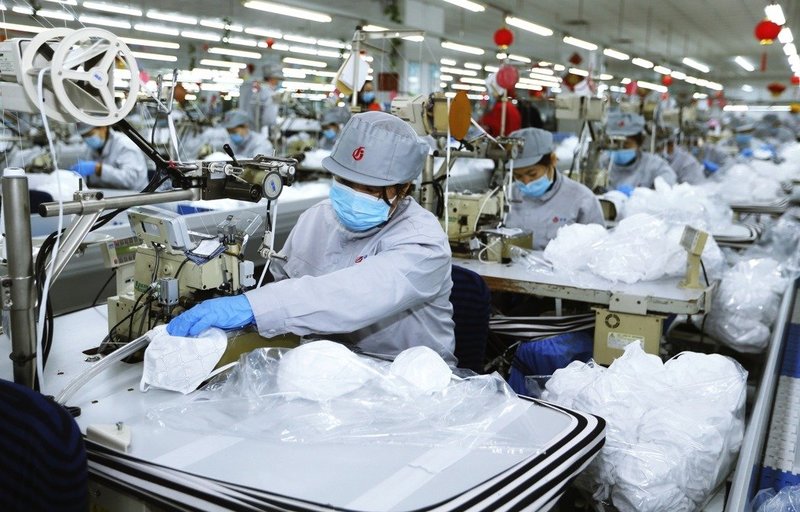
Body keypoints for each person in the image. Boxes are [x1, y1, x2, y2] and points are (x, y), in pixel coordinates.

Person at [167, 111, 457, 364]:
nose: (354, 194)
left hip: (406, 377)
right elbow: (282, 282)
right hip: (324, 365)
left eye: (369, 189)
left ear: (403, 189)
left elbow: (352, 296)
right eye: (344, 181)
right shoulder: (316, 219)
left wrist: (252, 306)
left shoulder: (423, 243)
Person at [504, 128, 604, 250]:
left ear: (552, 160)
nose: (526, 182)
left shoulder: (582, 200)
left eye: (532, 174)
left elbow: (598, 249)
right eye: (518, 176)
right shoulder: (506, 195)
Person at [605, 112, 677, 193]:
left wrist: (645, 194)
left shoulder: (652, 164)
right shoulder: (602, 163)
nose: (620, 148)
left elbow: (667, 180)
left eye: (625, 145)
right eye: (615, 143)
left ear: (639, 144)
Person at [70, 123, 148, 190]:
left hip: (135, 197)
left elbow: (131, 180)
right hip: (108, 195)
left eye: (90, 134)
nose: (87, 139)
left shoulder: (125, 145)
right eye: (83, 136)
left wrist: (98, 169)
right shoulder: (90, 149)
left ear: (103, 127)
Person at [239, 64, 282, 133]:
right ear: (272, 78)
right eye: (277, 79)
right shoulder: (269, 93)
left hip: (248, 126)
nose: (278, 82)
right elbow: (269, 119)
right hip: (259, 129)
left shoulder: (256, 89)